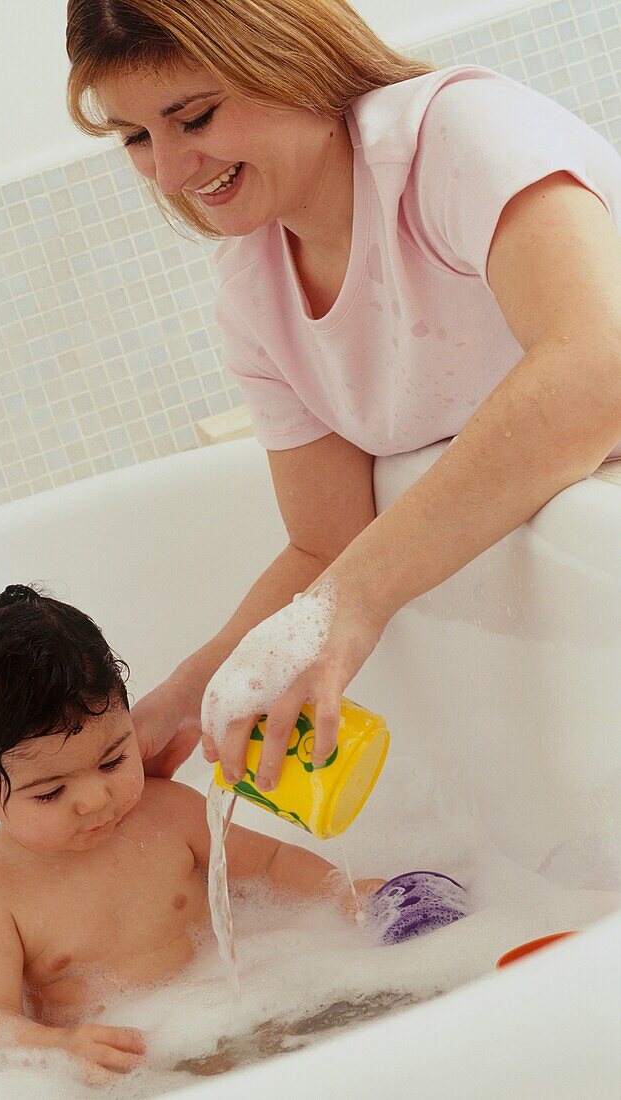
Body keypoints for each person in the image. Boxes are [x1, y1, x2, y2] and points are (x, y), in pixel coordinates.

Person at [65, 0, 621, 788]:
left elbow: (598, 369)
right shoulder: (251, 287)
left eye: (193, 117)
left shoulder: (455, 137)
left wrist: (350, 607)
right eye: (133, 138)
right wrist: (191, 698)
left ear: (287, 57)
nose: (168, 169)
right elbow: (326, 544)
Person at [0, 584, 385, 1076]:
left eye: (113, 760)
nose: (97, 800)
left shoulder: (168, 813)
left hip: (249, 1010)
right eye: (50, 793)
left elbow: (271, 866)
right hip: (136, 1071)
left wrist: (346, 893)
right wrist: (63, 1047)